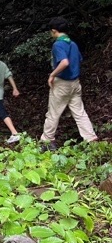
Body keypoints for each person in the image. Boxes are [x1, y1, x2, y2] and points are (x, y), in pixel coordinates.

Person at [39, 17, 98, 151]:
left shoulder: (58, 45)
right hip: (75, 83)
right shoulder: (73, 44)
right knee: (79, 112)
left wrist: (52, 74)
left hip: (62, 84)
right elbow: (78, 60)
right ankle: (91, 139)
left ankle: (47, 142)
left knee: (53, 113)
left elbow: (65, 62)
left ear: (54, 31)